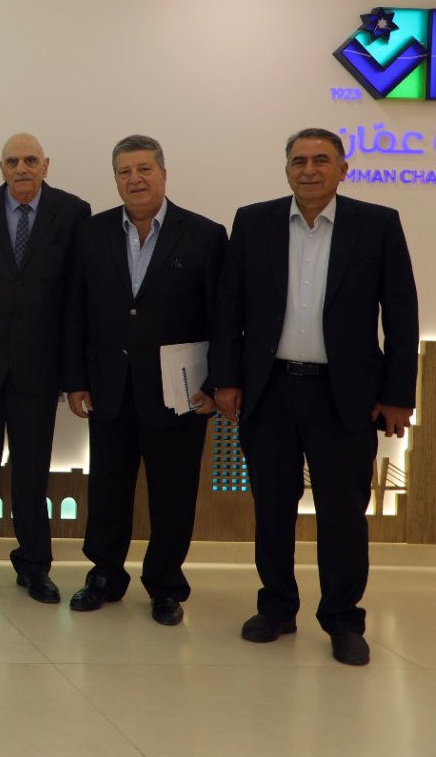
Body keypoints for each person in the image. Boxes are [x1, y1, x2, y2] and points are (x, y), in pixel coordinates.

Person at [211, 128, 417, 666]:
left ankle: (343, 620)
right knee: (272, 507)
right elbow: (229, 307)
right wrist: (226, 379)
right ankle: (277, 607)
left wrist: (399, 394)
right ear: (286, 170)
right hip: (270, 391)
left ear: (342, 170)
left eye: (321, 160)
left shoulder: (377, 225)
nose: (309, 170)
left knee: (343, 514)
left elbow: (401, 313)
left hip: (344, 396)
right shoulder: (253, 222)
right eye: (299, 160)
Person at [63, 135, 225, 626]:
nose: (134, 179)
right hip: (109, 388)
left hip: (180, 393)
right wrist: (75, 379)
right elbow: (75, 312)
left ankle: (166, 585)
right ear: (115, 179)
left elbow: (222, 318)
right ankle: (104, 576)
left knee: (173, 494)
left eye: (144, 169)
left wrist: (217, 385)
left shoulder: (204, 235)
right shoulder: (91, 234)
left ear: (163, 173)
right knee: (107, 489)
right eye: (124, 172)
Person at [0, 133, 89, 602]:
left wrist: (72, 373)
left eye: (30, 160)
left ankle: (34, 565)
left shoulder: (72, 212)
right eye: (12, 161)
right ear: (1, 167)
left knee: (33, 472)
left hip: (38, 364)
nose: (22, 168)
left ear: (46, 164)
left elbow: (74, 296)